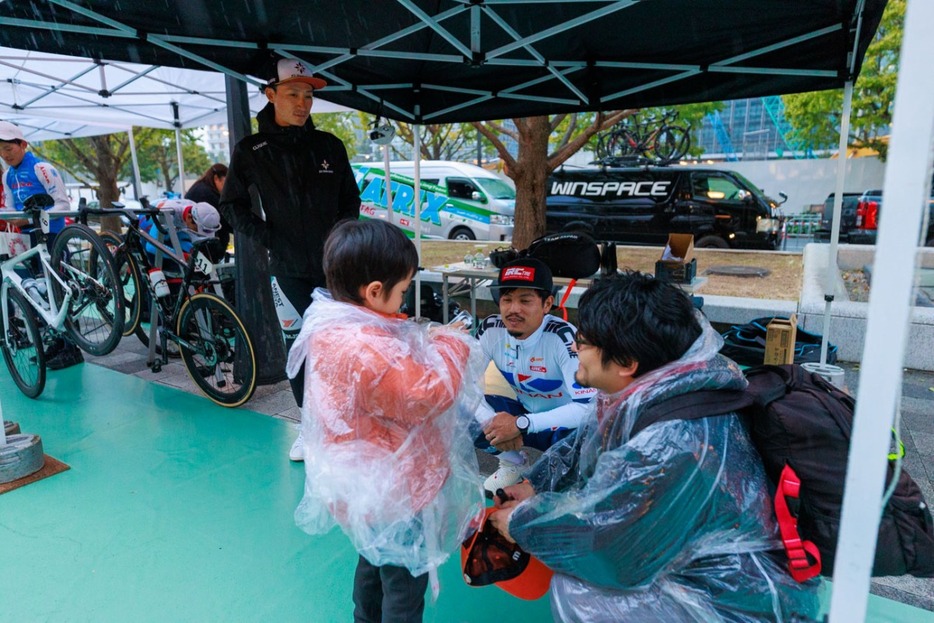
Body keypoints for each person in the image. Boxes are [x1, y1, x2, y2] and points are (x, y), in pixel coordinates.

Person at [487, 271, 820, 622]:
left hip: (736, 603)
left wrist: (522, 522)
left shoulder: (673, 438)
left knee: (580, 593)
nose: (573, 348)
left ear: (627, 362)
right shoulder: (657, 386)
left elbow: (608, 549)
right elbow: (584, 444)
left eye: (583, 342)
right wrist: (535, 484)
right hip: (700, 566)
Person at [286, 219, 486, 622]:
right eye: (402, 290)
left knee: (372, 559)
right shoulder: (366, 346)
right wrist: (451, 342)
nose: (404, 298)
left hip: (359, 485)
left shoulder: (333, 325)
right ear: (374, 291)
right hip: (394, 488)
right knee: (404, 579)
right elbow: (428, 393)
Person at [219, 58, 360, 462]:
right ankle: (308, 427)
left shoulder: (330, 145)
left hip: (336, 267)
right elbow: (232, 205)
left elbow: (350, 198)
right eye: (293, 94)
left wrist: (342, 235)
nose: (303, 103)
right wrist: (268, 238)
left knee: (341, 347)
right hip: (285, 270)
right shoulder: (252, 150)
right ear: (270, 94)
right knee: (298, 346)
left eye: (309, 95)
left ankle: (346, 422)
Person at [473, 257, 597, 496]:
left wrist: (520, 425)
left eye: (525, 300)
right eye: (506, 299)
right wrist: (496, 427)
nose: (513, 309)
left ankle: (556, 484)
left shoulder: (562, 337)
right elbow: (464, 386)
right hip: (523, 415)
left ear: (547, 304)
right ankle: (513, 461)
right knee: (460, 407)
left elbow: (586, 408)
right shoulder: (490, 329)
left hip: (561, 427)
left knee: (590, 437)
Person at [0, 120, 82, 369]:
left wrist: (36, 216)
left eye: (9, 148)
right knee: (39, 292)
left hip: (54, 237)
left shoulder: (42, 168)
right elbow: (11, 209)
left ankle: (72, 348)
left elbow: (62, 205)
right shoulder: (8, 176)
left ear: (23, 144)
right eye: (0, 149)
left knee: (58, 289)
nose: (4, 154)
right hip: (30, 240)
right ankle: (55, 343)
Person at [184, 163, 231, 261]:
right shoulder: (207, 194)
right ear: (216, 178)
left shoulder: (201, 188)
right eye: (226, 184)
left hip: (196, 242)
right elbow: (225, 220)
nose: (228, 189)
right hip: (204, 245)